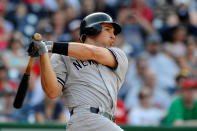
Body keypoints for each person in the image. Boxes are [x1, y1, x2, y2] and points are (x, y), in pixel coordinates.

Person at [27, 12, 128, 131]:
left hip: (107, 121)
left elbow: (93, 53)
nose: (113, 36)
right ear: (92, 29)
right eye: (108, 30)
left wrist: (48, 46)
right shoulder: (62, 57)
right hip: (85, 119)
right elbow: (52, 92)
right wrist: (43, 54)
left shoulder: (118, 55)